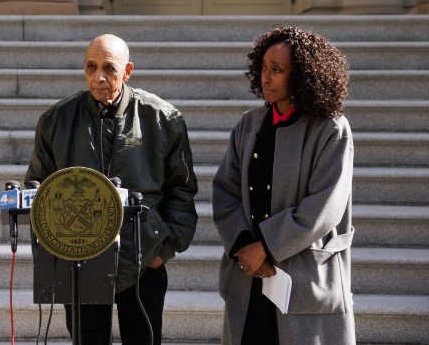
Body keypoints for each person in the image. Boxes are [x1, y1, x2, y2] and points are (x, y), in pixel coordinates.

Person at [25, 34, 199, 345]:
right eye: (91, 67)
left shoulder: (162, 118)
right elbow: (38, 184)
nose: (99, 77)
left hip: (144, 256)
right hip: (79, 260)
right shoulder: (56, 119)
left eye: (109, 68)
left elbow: (182, 189)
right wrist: (56, 245)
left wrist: (165, 248)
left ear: (128, 71)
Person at [212, 27, 356, 345]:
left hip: (303, 277)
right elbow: (225, 192)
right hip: (249, 276)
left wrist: (265, 246)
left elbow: (324, 206)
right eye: (263, 68)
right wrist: (243, 248)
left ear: (303, 77)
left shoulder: (331, 129)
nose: (266, 77)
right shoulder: (248, 125)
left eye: (276, 71)